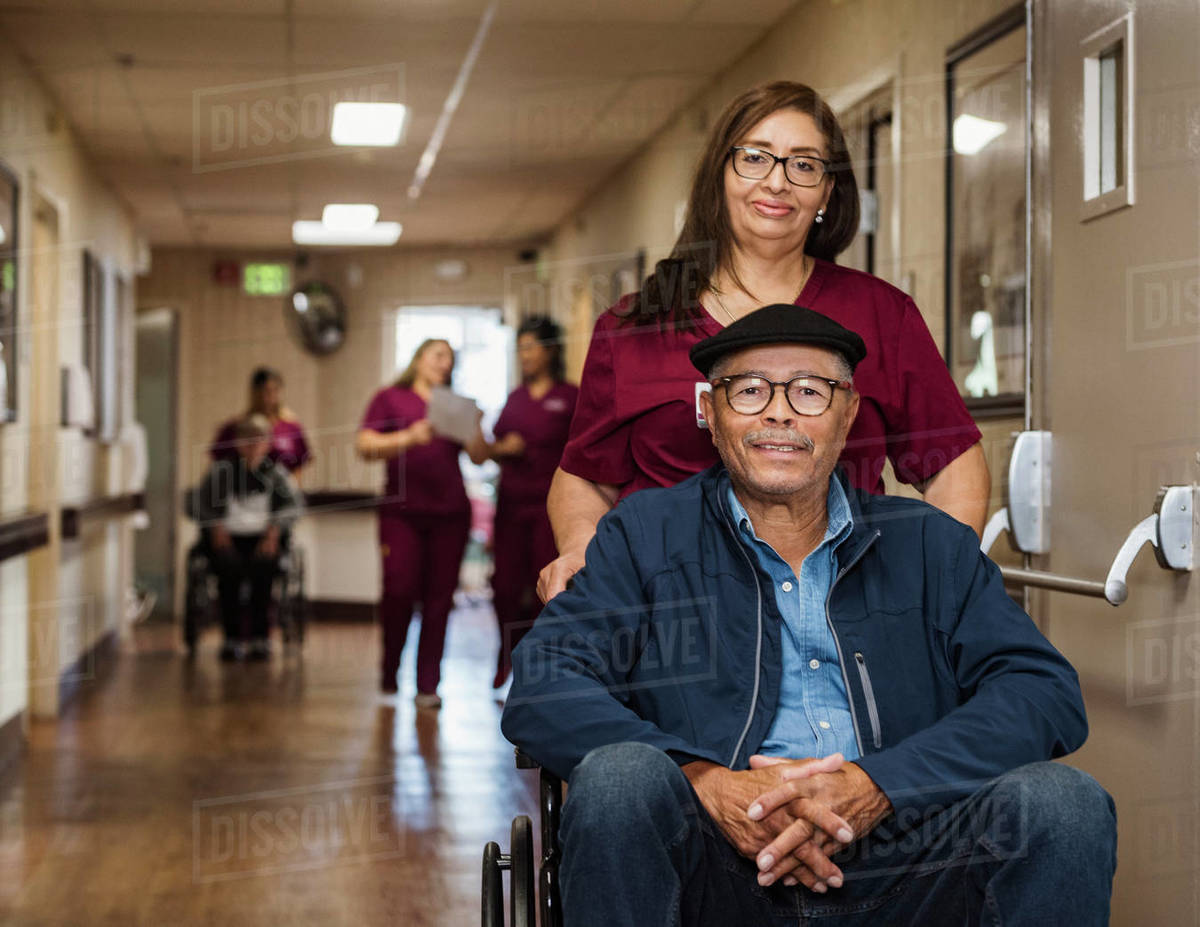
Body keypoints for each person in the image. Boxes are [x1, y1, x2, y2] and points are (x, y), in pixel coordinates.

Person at [502, 306, 1116, 926]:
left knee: (1063, 804)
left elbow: (1044, 691)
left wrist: (879, 786)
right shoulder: (644, 536)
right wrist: (703, 781)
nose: (778, 412)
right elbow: (543, 685)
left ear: (847, 415)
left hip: (904, 860)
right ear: (708, 414)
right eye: (748, 391)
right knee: (618, 780)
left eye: (809, 391)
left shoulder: (929, 545)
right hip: (713, 864)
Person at [539, 80, 990, 602]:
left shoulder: (880, 313)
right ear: (719, 175)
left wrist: (932, 586)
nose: (777, 182)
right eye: (755, 157)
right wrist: (581, 550)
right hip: (671, 616)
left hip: (839, 613)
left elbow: (954, 464)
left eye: (804, 164)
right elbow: (585, 478)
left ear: (827, 190)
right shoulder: (635, 325)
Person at [356, 339, 487, 707]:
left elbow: (478, 457)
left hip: (449, 514)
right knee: (398, 589)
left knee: (439, 600)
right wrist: (409, 437)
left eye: (450, 359)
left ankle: (428, 685)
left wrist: (475, 430)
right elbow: (365, 446)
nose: (444, 364)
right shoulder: (390, 398)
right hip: (401, 514)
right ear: (418, 359)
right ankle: (389, 671)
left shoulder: (456, 406)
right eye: (437, 356)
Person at [475, 317, 579, 688]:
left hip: (551, 510)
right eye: (520, 348)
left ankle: (537, 667)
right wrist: (499, 447)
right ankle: (505, 656)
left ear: (550, 350)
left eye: (531, 347)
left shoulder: (570, 397)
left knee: (546, 588)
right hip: (511, 508)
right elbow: (494, 446)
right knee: (504, 586)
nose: (525, 356)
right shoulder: (515, 398)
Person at [189, 414, 302, 661]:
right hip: (228, 539)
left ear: (268, 443)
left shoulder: (276, 475)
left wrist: (275, 529)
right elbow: (198, 503)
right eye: (247, 439)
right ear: (238, 443)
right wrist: (216, 526)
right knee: (227, 573)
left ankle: (261, 637)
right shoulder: (222, 472)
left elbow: (293, 507)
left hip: (264, 539)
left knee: (264, 574)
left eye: (259, 439)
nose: (252, 445)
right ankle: (231, 637)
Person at [210, 367, 312, 478]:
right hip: (242, 490)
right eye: (265, 391)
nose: (270, 397)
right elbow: (218, 463)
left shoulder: (291, 427)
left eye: (275, 390)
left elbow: (299, 466)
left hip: (280, 489)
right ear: (254, 393)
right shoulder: (236, 427)